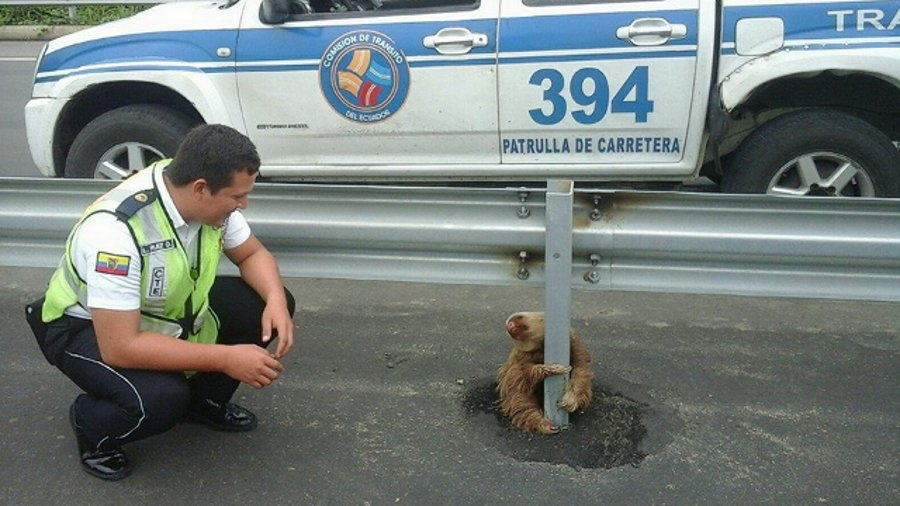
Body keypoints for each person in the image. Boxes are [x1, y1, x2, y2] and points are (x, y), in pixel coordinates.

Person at [24, 124, 296, 481]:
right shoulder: (115, 233)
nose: (243, 204)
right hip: (84, 327)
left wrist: (275, 298)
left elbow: (252, 255)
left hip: (160, 313)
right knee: (162, 398)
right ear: (201, 189)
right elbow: (121, 347)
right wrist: (228, 358)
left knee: (264, 305)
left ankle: (203, 402)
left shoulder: (196, 188)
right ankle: (94, 427)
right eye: (237, 197)